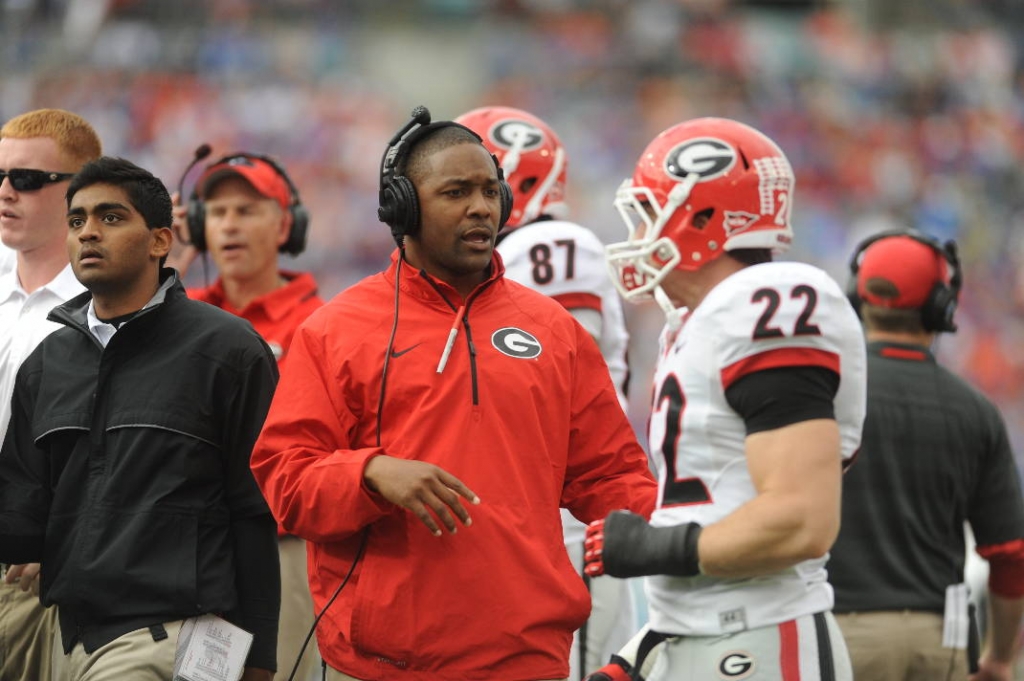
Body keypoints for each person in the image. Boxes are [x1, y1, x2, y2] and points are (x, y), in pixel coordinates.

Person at [249, 106, 658, 681]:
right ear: (403, 208)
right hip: (379, 666)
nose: (481, 207)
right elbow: (285, 482)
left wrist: (691, 537)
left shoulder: (554, 328)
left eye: (491, 191)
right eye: (456, 192)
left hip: (525, 660)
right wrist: (371, 474)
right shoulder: (335, 330)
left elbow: (611, 476)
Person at [584, 117, 867, 680]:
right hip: (709, 636)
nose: (640, 237)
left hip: (762, 636)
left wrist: (655, 549)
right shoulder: (699, 322)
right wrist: (642, 650)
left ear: (703, 217)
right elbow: (722, 501)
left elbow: (801, 520)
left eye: (648, 215)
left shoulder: (769, 303)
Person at [0, 156, 281, 681]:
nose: (87, 233)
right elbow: (20, 517)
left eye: (110, 218)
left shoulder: (228, 350)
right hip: (61, 630)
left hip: (169, 634)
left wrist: (258, 655)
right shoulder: (46, 362)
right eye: (77, 220)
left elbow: (253, 512)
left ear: (159, 241)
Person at [455, 105, 639, 680]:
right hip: (528, 526)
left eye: (465, 183)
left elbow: (549, 388)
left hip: (564, 529)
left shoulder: (554, 246)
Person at [827, 230, 1024, 681]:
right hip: (941, 639)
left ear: (859, 297)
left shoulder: (824, 392)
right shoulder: (977, 411)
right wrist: (998, 657)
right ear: (942, 306)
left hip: (837, 632)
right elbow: (1010, 552)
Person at [169, 150, 325, 680]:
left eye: (247, 210)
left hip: (283, 552)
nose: (229, 224)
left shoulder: (323, 325)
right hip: (186, 552)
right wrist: (162, 269)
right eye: (216, 212)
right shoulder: (174, 315)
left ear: (286, 225)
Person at [0, 107, 101, 681]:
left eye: (29, 179)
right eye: (0, 177)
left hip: (37, 570)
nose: (7, 192)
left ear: (77, 193)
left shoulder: (106, 308)